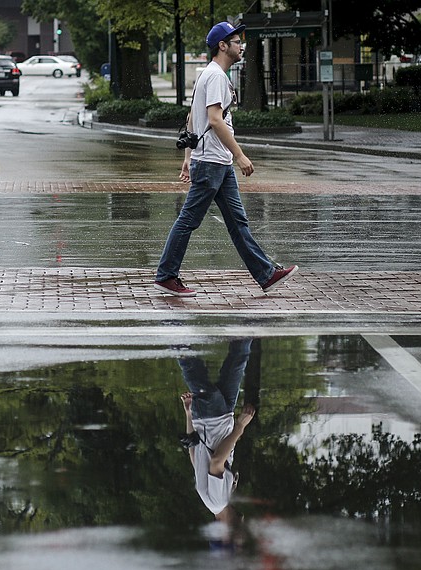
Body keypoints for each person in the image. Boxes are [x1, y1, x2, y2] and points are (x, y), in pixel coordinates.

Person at [154, 21, 298, 297]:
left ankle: (266, 275)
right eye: (236, 41)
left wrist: (188, 156)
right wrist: (240, 155)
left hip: (215, 161)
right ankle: (166, 274)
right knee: (188, 220)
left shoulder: (210, 75)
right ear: (223, 46)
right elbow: (214, 121)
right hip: (212, 162)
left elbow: (191, 118)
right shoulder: (216, 76)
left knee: (237, 222)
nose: (240, 46)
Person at [178, 338, 256, 517]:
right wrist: (189, 415)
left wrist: (240, 427)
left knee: (191, 367)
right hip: (221, 416)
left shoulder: (218, 502)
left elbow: (216, 462)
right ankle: (246, 322)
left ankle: (174, 329)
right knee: (238, 360)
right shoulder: (215, 502)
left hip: (211, 418)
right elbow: (195, 457)